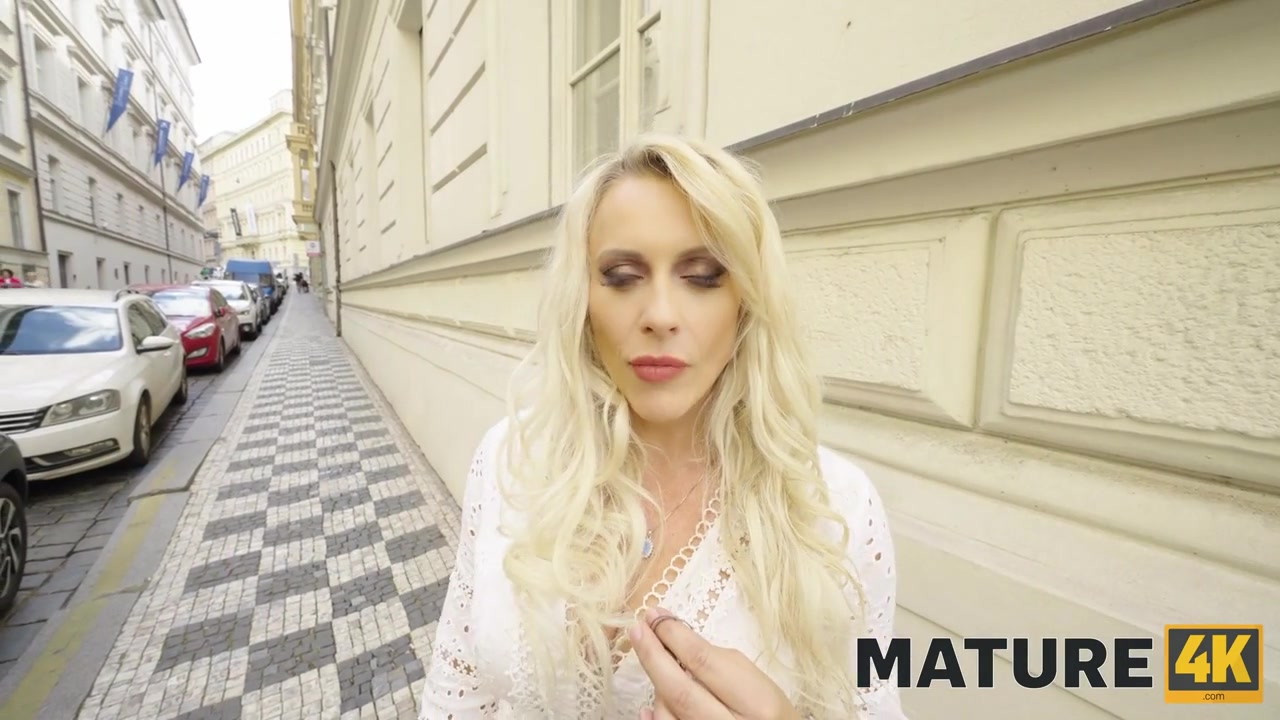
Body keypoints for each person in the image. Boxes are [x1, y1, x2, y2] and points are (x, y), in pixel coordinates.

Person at [417, 134, 904, 719]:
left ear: (746, 302)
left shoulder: (836, 508)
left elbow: (875, 703)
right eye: (623, 276)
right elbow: (456, 685)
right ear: (583, 298)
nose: (660, 316)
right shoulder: (512, 460)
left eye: (702, 276)